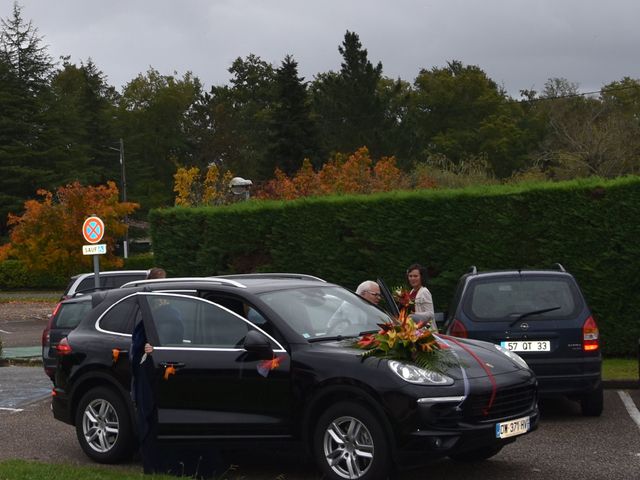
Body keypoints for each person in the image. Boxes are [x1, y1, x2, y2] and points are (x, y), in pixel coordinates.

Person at [406, 263, 437, 332]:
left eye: (415, 276)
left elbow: (430, 314)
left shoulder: (424, 292)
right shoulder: (411, 292)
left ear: (421, 277)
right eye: (410, 276)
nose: (412, 278)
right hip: (415, 331)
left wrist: (413, 315)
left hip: (426, 332)